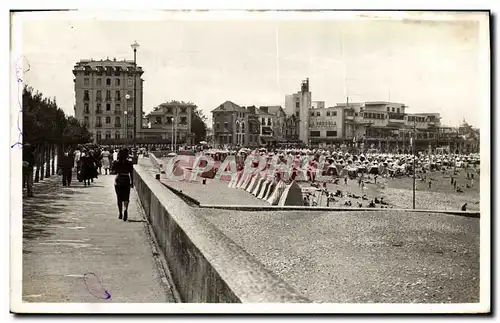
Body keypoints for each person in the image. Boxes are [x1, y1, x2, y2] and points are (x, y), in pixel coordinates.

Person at [111, 148, 134, 221]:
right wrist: (132, 182)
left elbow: (113, 171)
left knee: (119, 197)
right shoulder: (129, 163)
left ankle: (120, 213)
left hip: (119, 179)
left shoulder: (116, 162)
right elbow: (131, 173)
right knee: (126, 197)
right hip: (126, 179)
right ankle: (125, 210)